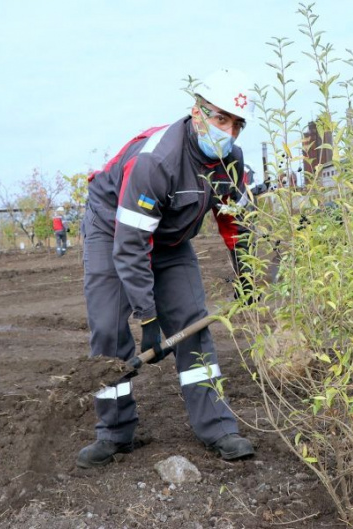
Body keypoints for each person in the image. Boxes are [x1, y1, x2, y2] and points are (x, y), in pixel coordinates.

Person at [77, 68, 256, 469]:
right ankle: (115, 432)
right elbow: (130, 246)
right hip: (114, 230)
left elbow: (235, 220)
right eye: (220, 119)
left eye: (236, 125)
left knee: (193, 324)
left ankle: (217, 426)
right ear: (197, 113)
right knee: (108, 328)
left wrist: (247, 270)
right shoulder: (157, 160)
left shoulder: (231, 161)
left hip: (171, 240)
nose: (228, 132)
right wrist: (149, 316)